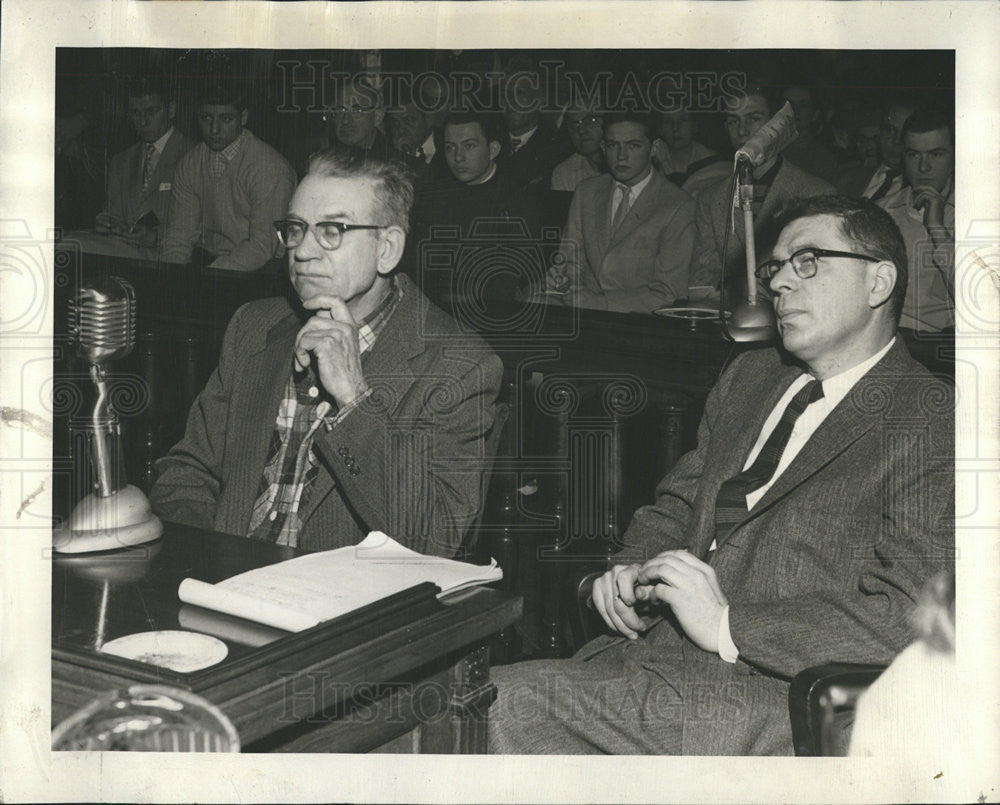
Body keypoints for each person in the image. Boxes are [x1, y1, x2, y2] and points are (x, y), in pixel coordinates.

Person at [490, 195, 954, 754]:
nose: (779, 283)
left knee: (486, 709)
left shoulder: (931, 418)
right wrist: (629, 569)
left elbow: (906, 616)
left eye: (808, 260)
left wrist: (729, 625)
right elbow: (679, 507)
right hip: (645, 659)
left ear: (879, 283)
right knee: (464, 700)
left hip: (762, 697)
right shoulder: (753, 375)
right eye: (775, 266)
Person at [150, 147, 504, 557]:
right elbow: (187, 472)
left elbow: (432, 539)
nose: (302, 251)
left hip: (346, 611)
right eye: (296, 228)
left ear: (387, 248)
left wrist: (355, 399)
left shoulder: (459, 367)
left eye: (332, 230)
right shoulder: (254, 327)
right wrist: (209, 558)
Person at [688, 84, 835, 298]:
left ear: (778, 125)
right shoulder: (710, 199)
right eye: (733, 121)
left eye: (753, 118)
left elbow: (822, 283)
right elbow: (702, 280)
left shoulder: (818, 195)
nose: (741, 130)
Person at [545, 111, 695, 313]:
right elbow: (570, 261)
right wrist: (563, 282)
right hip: (584, 316)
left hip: (641, 326)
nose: (621, 156)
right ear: (603, 147)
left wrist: (599, 303)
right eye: (613, 145)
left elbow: (667, 293)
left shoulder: (678, 205)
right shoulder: (586, 191)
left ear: (655, 148)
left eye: (633, 145)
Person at [159, 78, 297, 271]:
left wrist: (209, 279)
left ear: (243, 118)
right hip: (209, 262)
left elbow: (263, 246)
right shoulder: (190, 163)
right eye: (206, 118)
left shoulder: (269, 167)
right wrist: (172, 278)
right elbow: (178, 237)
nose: (214, 129)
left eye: (225, 119)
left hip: (263, 268)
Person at [407, 112, 540, 306]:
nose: (458, 157)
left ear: (492, 149)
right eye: (450, 148)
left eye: (469, 146)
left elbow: (505, 280)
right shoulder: (434, 196)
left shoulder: (516, 201)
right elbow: (421, 267)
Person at [876, 106, 955, 332]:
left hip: (940, 347)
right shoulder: (883, 212)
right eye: (913, 155)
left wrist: (937, 229)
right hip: (885, 339)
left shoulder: (975, 214)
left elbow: (982, 302)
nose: (923, 167)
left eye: (936, 154)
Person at [93, 77, 192, 256]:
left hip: (172, 259)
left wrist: (155, 237)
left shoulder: (194, 156)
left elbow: (206, 225)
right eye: (135, 113)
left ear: (171, 110)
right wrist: (107, 223)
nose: (143, 121)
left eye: (151, 112)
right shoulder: (120, 161)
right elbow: (113, 214)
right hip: (123, 256)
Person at [653, 107, 728, 198]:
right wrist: (661, 166)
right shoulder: (653, 162)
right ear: (660, 129)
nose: (675, 128)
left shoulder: (714, 163)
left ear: (695, 126)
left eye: (682, 120)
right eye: (668, 121)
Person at [779, 85, 840, 185]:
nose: (795, 110)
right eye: (788, 105)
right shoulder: (767, 151)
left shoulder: (823, 158)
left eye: (803, 105)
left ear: (815, 114)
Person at [550, 106, 605, 193]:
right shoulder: (564, 172)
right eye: (574, 124)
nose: (581, 130)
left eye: (591, 120)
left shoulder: (626, 165)